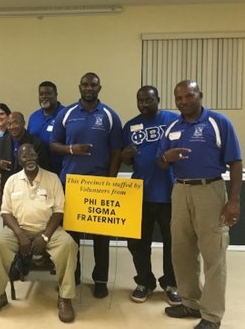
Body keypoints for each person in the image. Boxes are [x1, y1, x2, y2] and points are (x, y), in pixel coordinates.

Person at [158, 80, 242, 329]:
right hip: (180, 190)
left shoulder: (218, 123)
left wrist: (234, 200)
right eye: (178, 98)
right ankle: (190, 302)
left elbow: (236, 162)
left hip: (211, 190)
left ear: (200, 95)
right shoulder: (172, 127)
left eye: (188, 95)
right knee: (182, 252)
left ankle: (212, 315)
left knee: (213, 254)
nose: (183, 101)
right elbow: (160, 162)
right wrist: (166, 157)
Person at [0, 144, 78, 323]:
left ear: (37, 156)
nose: (29, 159)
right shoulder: (12, 180)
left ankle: (65, 298)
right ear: (19, 160)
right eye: (25, 157)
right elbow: (5, 211)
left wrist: (45, 236)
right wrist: (19, 234)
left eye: (32, 155)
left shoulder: (52, 178)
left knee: (68, 245)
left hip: (48, 228)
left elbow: (58, 211)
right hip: (18, 229)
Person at [50, 72, 122, 298]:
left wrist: (110, 182)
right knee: (70, 236)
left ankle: (100, 280)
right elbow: (53, 144)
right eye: (85, 84)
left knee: (101, 237)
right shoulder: (66, 113)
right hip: (70, 183)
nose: (89, 88)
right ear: (79, 87)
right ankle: (74, 274)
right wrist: (72, 150)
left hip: (99, 184)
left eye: (93, 85)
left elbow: (116, 152)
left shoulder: (110, 115)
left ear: (99, 88)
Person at [121, 85, 181, 305]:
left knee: (172, 243)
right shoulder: (130, 126)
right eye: (140, 100)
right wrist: (126, 156)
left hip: (170, 193)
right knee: (137, 243)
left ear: (158, 99)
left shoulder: (174, 120)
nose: (144, 104)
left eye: (149, 100)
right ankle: (144, 281)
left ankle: (172, 284)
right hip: (140, 195)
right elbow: (125, 159)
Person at [0, 112, 49, 204]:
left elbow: (44, 167)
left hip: (30, 194)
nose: (12, 127)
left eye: (15, 123)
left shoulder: (36, 143)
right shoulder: (2, 142)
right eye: (9, 124)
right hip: (9, 193)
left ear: (23, 123)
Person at [28, 81, 66, 175]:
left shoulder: (66, 114)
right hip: (38, 169)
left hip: (60, 169)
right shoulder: (34, 117)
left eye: (48, 94)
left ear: (56, 95)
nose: (44, 97)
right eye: (41, 94)